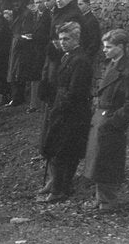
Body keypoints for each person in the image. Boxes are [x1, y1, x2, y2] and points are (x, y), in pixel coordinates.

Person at [82, 29, 129, 212]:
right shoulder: (113, 64)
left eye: (109, 47)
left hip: (111, 122)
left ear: (121, 47)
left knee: (108, 161)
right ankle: (100, 198)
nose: (104, 50)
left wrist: (114, 121)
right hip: (101, 119)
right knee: (97, 160)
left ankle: (108, 201)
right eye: (104, 46)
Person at [36, 23, 92, 204]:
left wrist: (60, 106)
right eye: (61, 39)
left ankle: (60, 189)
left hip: (73, 113)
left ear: (76, 39)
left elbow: (76, 91)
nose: (63, 42)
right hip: (63, 109)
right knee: (59, 149)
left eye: (67, 39)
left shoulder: (80, 60)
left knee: (65, 152)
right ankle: (59, 185)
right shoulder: (67, 57)